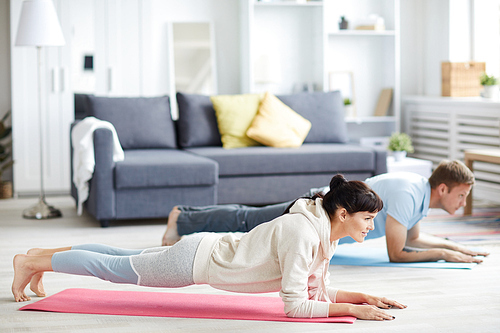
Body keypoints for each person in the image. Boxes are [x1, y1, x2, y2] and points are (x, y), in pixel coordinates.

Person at [12, 175, 407, 320]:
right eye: (368, 219)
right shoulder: (305, 234)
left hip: (204, 249)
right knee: (115, 269)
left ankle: (34, 258)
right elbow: (295, 306)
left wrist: (363, 296)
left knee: (118, 257)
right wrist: (353, 309)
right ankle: (34, 263)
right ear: (341, 213)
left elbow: (315, 290)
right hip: (195, 262)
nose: (372, 227)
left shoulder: (320, 231)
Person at [162, 160, 489, 263]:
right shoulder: (409, 193)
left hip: (322, 212)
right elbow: (398, 251)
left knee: (251, 220)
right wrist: (444, 256)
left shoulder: (419, 195)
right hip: (314, 210)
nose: (463, 203)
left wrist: (456, 247)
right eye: (461, 196)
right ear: (443, 189)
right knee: (250, 220)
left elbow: (414, 237)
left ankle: (186, 216)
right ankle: (183, 218)